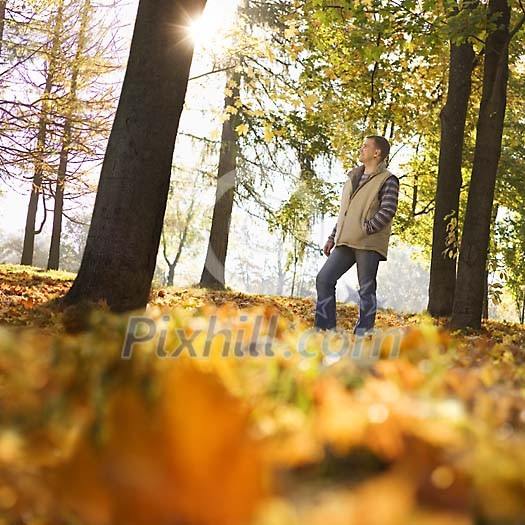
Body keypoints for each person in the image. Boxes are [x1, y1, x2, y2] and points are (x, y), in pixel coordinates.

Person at [314, 136, 399, 336]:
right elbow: (345, 213)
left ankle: (364, 332)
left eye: (365, 146)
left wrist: (366, 228)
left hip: (368, 244)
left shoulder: (388, 179)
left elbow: (388, 211)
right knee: (324, 279)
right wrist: (332, 237)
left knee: (366, 289)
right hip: (345, 241)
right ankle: (325, 328)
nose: (361, 149)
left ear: (377, 153)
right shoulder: (353, 177)